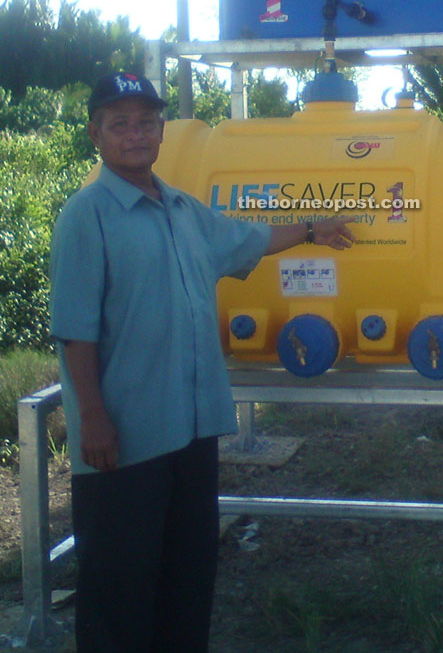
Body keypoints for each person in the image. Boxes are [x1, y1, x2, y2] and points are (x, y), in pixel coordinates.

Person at [49, 71, 355, 653]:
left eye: (146, 122)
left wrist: (315, 227)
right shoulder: (85, 217)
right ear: (96, 134)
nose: (135, 135)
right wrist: (93, 418)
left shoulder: (185, 211)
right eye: (120, 124)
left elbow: (251, 238)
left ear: (161, 130)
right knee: (119, 586)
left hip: (191, 432)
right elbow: (74, 332)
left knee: (186, 579)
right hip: (126, 440)